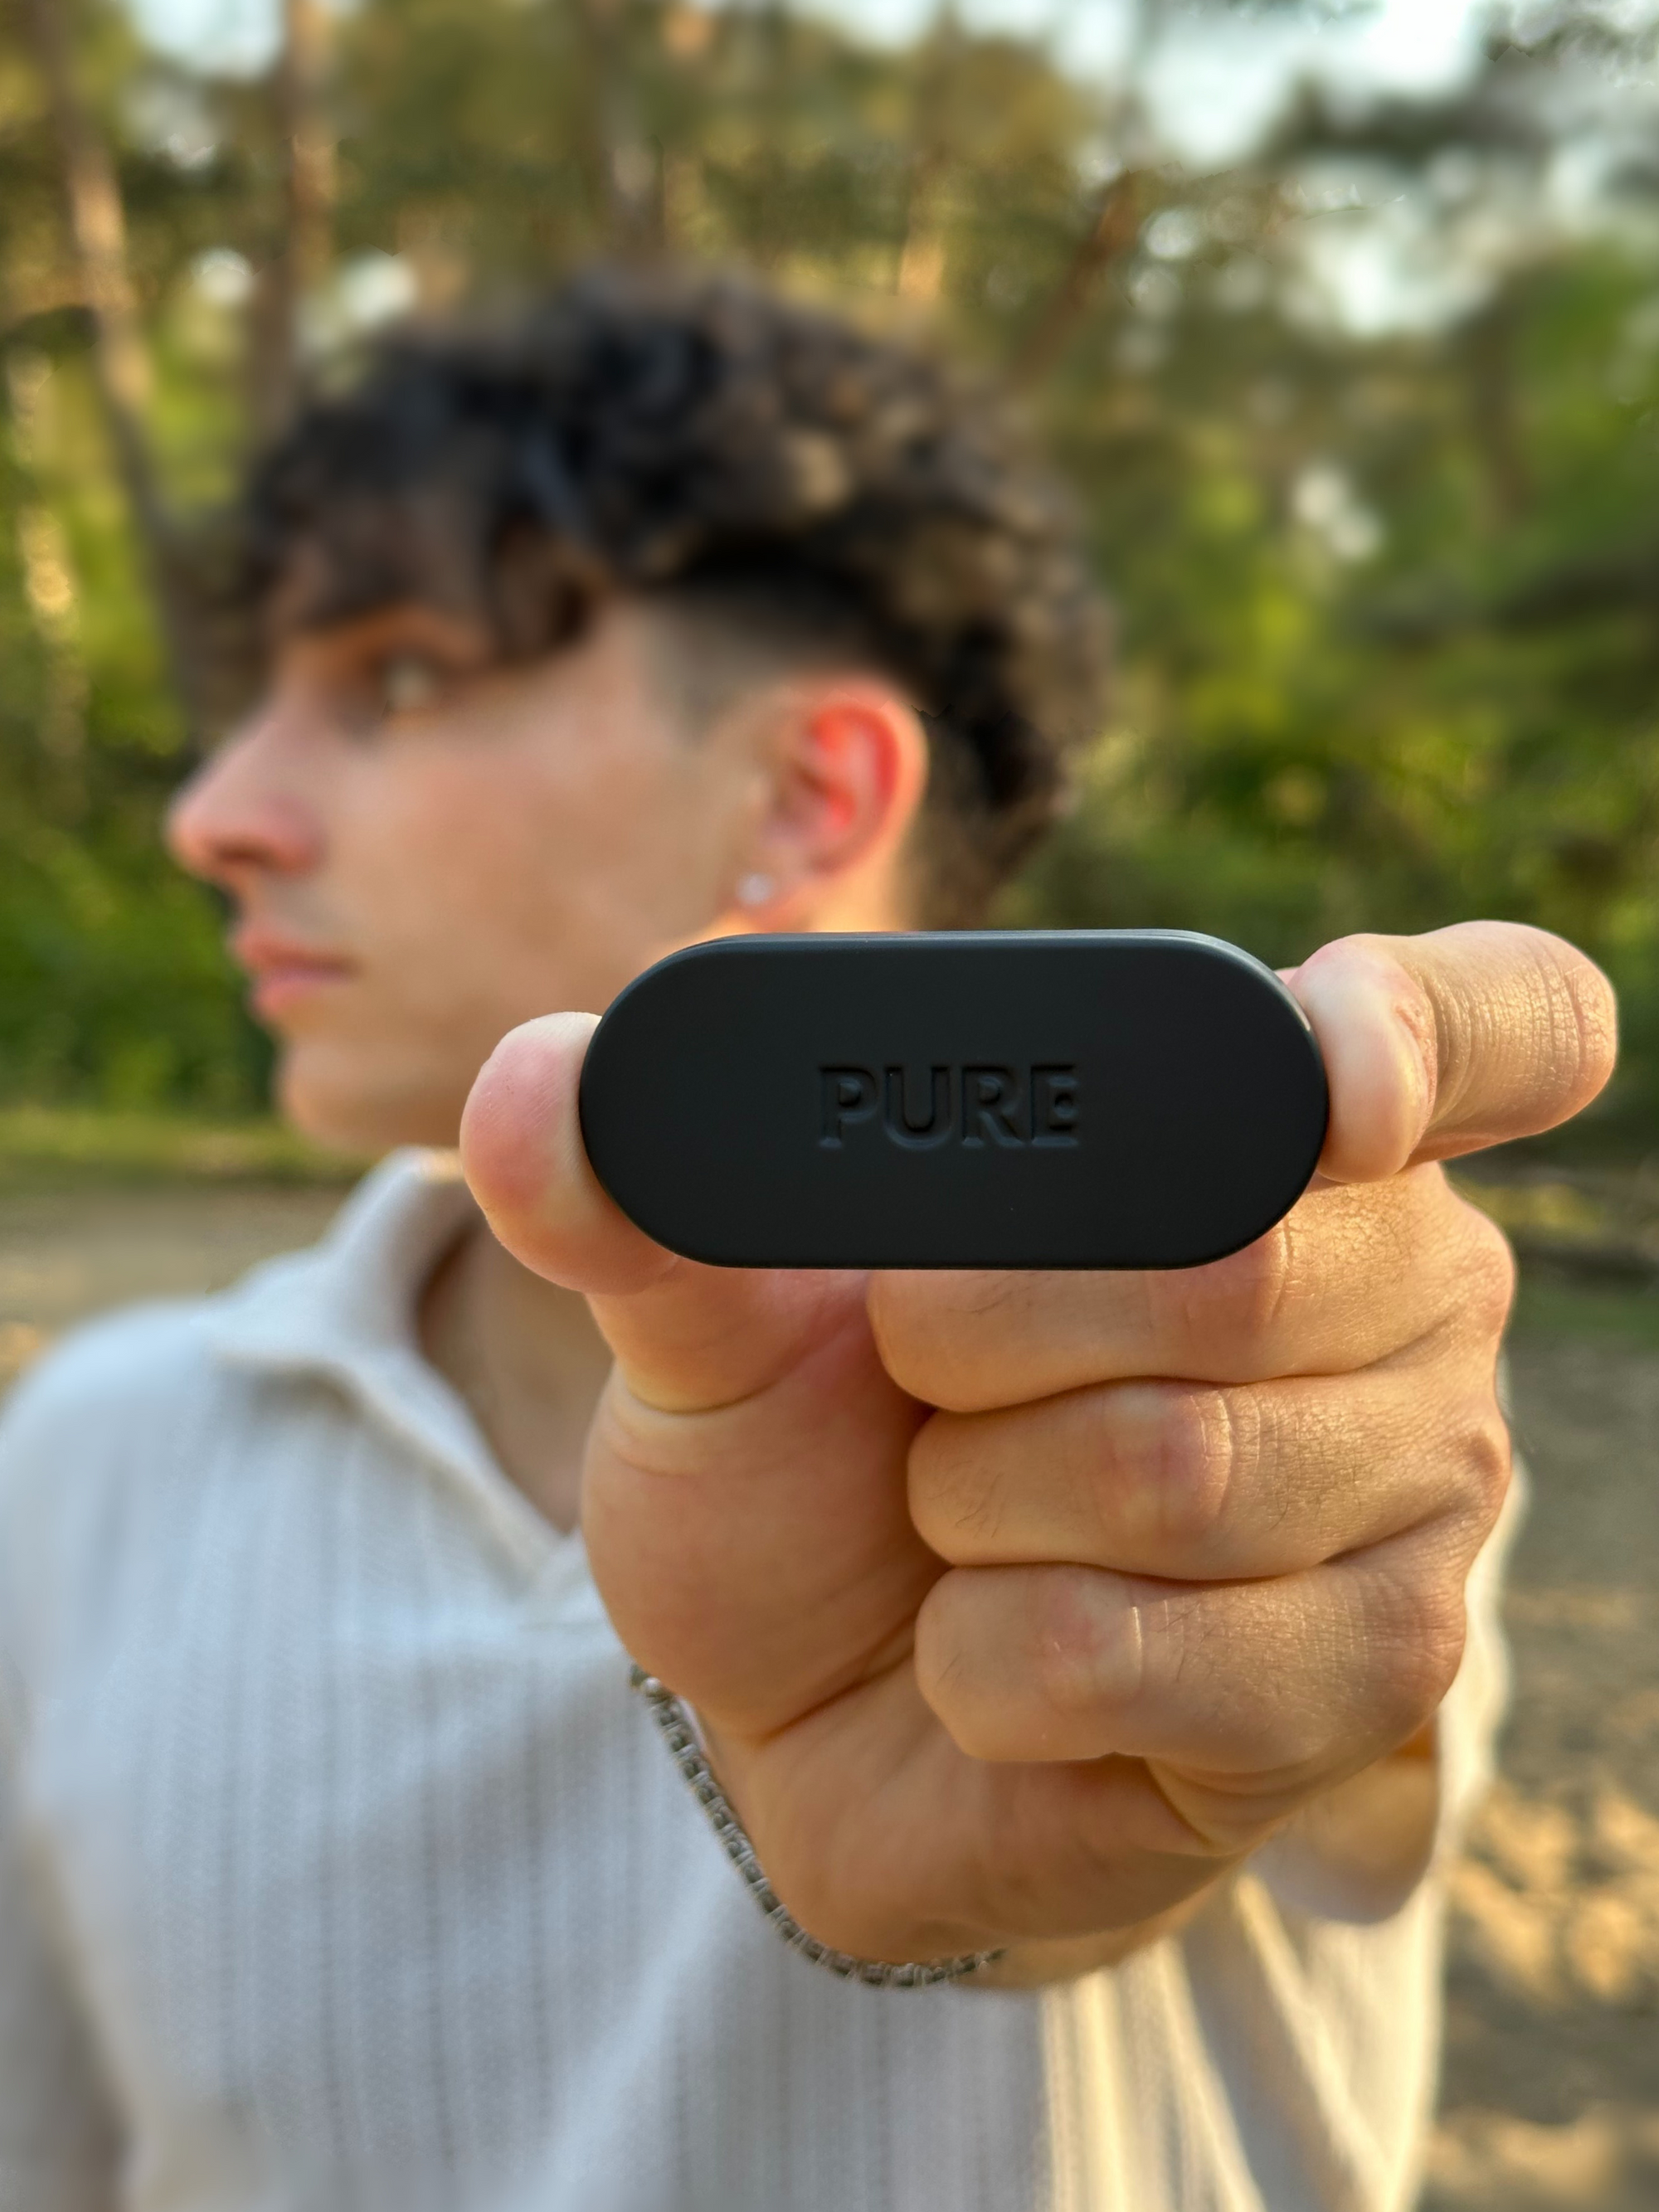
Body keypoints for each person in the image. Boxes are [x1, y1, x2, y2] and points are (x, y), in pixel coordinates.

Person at [0, 265, 1613, 2212]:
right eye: (255, 697)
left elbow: (1224, 1773)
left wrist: (1129, 1738)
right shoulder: (92, 1454)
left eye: (397, 675)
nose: (215, 812)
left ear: (805, 789)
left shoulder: (1240, 1346)